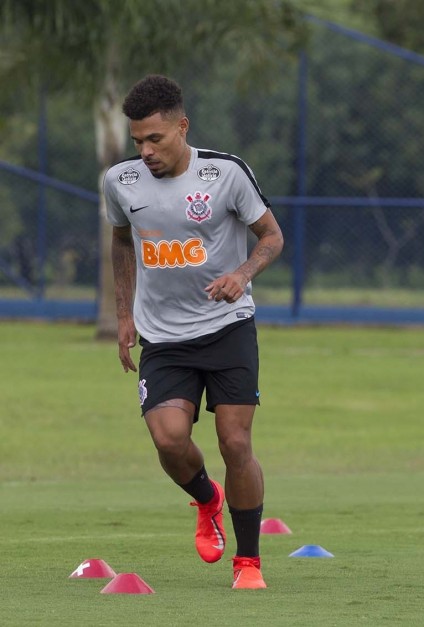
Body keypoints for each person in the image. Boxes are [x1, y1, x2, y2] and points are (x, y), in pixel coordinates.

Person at [103, 75, 284, 590]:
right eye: (137, 140)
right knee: (168, 439)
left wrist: (242, 275)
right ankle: (208, 499)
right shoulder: (121, 182)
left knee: (235, 442)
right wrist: (124, 316)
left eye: (155, 138)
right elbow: (121, 242)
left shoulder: (225, 174)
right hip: (163, 336)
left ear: (182, 127)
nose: (146, 151)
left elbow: (272, 235)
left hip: (227, 328)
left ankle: (248, 563)